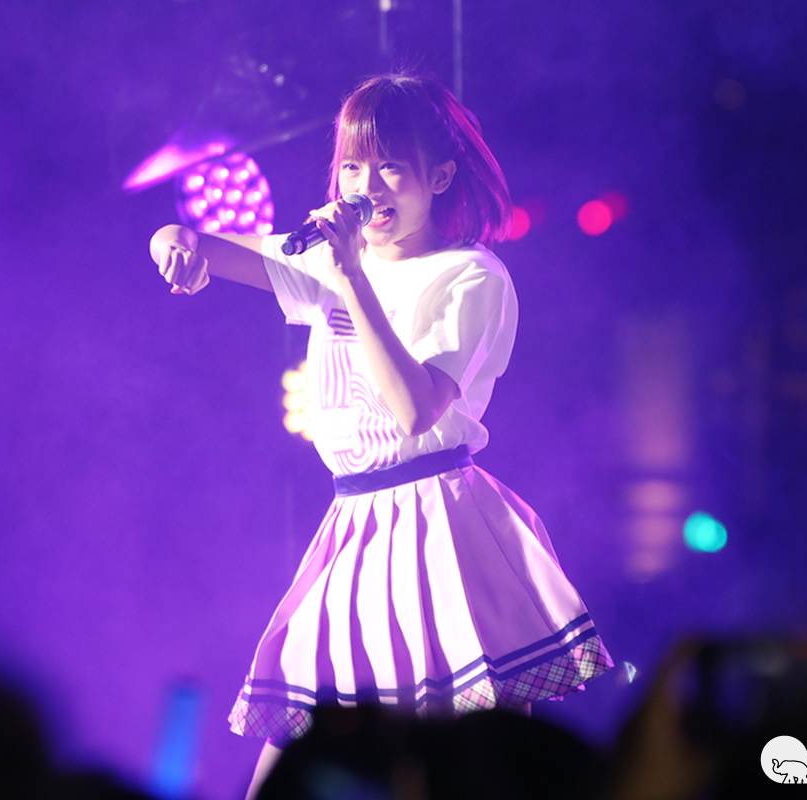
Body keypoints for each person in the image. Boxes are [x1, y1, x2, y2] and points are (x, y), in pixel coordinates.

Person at [149, 73, 613, 798]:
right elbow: (202, 243)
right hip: (355, 525)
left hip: (439, 525)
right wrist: (172, 241)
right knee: (292, 755)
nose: (368, 188)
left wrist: (350, 279)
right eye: (353, 168)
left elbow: (415, 409)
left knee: (467, 762)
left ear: (440, 176)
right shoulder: (327, 262)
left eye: (390, 166)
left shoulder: (471, 277)